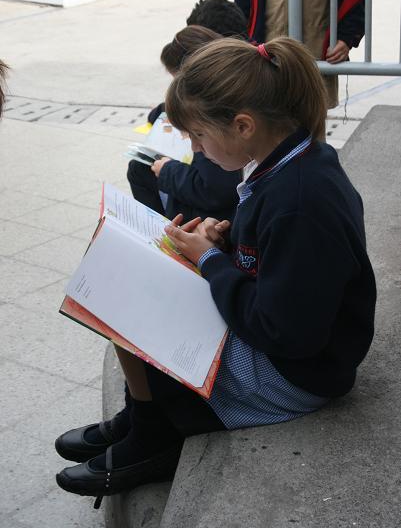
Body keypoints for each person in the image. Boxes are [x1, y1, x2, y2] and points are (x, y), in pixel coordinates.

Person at [55, 36, 375, 506]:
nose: (195, 148)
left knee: (134, 295)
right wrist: (223, 244)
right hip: (288, 346)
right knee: (129, 277)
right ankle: (142, 414)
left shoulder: (299, 201)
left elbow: (285, 332)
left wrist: (211, 261)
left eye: (199, 136)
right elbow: (272, 266)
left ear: (243, 126)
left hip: (296, 376)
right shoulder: (285, 166)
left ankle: (153, 434)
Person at [234, 0, 366, 108]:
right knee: (272, 120)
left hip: (314, 58)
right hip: (268, 60)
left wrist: (346, 38)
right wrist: (244, 49)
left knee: (311, 120)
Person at [126, 25, 242, 224]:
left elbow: (216, 190)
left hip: (213, 215)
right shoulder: (219, 96)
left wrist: (168, 171)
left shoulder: (213, 119)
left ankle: (163, 235)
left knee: (141, 169)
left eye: (178, 83)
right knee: (140, 167)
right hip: (213, 204)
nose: (195, 145)